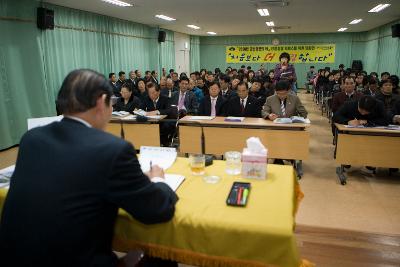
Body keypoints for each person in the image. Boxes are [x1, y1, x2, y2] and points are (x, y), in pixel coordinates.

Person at [0, 69, 178, 267]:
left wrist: (132, 177)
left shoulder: (32, 139)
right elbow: (158, 210)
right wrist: (156, 179)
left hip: (15, 259)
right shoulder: (114, 150)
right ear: (102, 102)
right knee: (164, 261)